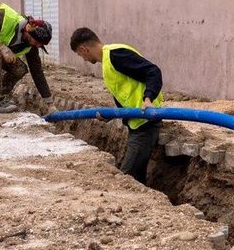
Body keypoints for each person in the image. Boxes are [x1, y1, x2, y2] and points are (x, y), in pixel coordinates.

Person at [69, 27, 163, 184]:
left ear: (84, 49)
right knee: (135, 176)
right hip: (137, 122)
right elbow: (126, 94)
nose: (83, 59)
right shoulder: (108, 61)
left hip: (146, 122)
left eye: (80, 55)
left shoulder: (115, 55)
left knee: (126, 179)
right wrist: (113, 115)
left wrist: (148, 99)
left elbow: (153, 71)